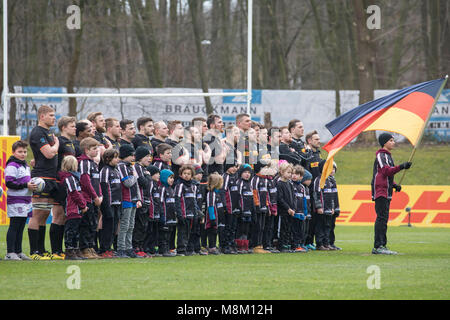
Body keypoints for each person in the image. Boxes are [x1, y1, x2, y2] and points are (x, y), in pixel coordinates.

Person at [28, 105, 60, 260]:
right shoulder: (38, 132)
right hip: (42, 177)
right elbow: (48, 154)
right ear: (42, 116)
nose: (54, 118)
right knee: (38, 214)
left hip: (51, 177)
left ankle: (41, 250)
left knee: (45, 213)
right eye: (51, 115)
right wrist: (57, 145)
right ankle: (34, 251)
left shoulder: (48, 133)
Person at [371, 133, 412, 255]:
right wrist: (402, 166)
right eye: (391, 140)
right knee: (381, 218)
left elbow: (387, 176)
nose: (393, 142)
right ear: (384, 143)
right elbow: (385, 171)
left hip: (387, 190)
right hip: (381, 191)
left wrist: (394, 185)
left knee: (384, 219)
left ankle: (383, 245)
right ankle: (378, 246)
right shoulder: (381, 155)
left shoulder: (388, 156)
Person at [4, 140, 35, 260]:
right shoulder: (12, 165)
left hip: (26, 199)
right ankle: (10, 252)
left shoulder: (25, 165)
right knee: (15, 225)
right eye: (20, 152)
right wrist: (26, 185)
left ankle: (18, 251)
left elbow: (26, 181)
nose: (23, 154)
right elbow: (9, 183)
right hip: (16, 200)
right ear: (13, 152)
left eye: (25, 152)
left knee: (22, 225)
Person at [78, 137, 103, 259]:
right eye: (94, 148)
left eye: (97, 148)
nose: (97, 151)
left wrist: (100, 195)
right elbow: (85, 181)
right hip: (86, 198)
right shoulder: (84, 163)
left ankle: (91, 247)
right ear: (86, 150)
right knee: (86, 224)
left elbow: (97, 182)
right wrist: (94, 196)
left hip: (94, 199)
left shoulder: (93, 163)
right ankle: (84, 248)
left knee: (93, 223)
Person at [59, 156, 88, 260]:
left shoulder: (74, 178)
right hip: (72, 208)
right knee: (71, 230)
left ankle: (75, 250)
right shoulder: (69, 178)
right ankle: (70, 250)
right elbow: (74, 193)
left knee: (76, 231)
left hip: (77, 208)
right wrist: (83, 205)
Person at [116, 144, 142, 258]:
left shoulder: (130, 167)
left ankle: (128, 247)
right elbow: (127, 183)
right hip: (125, 199)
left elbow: (135, 185)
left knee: (131, 226)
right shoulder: (121, 166)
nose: (133, 157)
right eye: (131, 155)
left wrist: (138, 198)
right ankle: (121, 248)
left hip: (133, 199)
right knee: (125, 225)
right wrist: (135, 176)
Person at [99, 148, 122, 257]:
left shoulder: (116, 171)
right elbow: (104, 188)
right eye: (115, 157)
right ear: (108, 158)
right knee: (107, 227)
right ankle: (104, 249)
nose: (118, 159)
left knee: (114, 227)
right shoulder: (105, 170)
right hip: (109, 204)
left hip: (117, 203)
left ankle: (110, 247)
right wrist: (106, 205)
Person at [174, 164, 200, 256]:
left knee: (191, 232)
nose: (186, 175)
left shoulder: (194, 186)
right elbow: (177, 199)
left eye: (189, 174)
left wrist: (196, 213)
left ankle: (189, 249)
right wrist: (179, 213)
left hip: (192, 214)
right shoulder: (179, 185)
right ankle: (181, 250)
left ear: (192, 175)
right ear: (181, 174)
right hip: (183, 214)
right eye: (184, 173)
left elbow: (194, 201)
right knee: (182, 232)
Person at [132, 147, 153, 257]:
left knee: (144, 226)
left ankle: (140, 246)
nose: (149, 158)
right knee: (139, 225)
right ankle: (136, 247)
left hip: (147, 200)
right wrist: (148, 176)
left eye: (150, 156)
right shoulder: (138, 167)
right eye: (146, 156)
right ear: (140, 158)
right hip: (140, 200)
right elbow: (143, 182)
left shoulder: (145, 169)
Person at [235, 164, 256, 254]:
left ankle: (245, 245)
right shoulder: (239, 183)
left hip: (249, 211)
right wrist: (240, 209)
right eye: (245, 172)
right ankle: (239, 246)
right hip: (242, 211)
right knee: (240, 228)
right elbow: (237, 197)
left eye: (249, 172)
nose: (247, 174)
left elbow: (252, 198)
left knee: (247, 228)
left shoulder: (250, 184)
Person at [276, 162, 295, 253]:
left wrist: (293, 208)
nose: (290, 174)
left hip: (290, 211)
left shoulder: (290, 184)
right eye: (288, 172)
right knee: (282, 228)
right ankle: (281, 244)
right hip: (283, 211)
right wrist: (288, 208)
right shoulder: (279, 184)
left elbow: (293, 197)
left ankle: (287, 244)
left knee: (288, 228)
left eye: (291, 173)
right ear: (282, 172)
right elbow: (280, 199)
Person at [221, 161, 240, 254]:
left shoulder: (235, 176)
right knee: (227, 227)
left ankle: (232, 244)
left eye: (236, 167)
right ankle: (225, 246)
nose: (234, 168)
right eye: (232, 166)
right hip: (229, 206)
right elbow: (223, 192)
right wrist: (224, 205)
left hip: (235, 206)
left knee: (233, 227)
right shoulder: (225, 177)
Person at [158, 169, 177, 257]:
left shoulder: (171, 189)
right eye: (170, 178)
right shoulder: (162, 189)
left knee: (169, 233)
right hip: (165, 216)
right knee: (164, 234)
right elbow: (161, 202)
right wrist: (162, 215)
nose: (172, 180)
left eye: (173, 178)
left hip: (171, 217)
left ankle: (168, 249)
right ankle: (163, 250)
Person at [143, 165, 161, 256]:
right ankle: (146, 248)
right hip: (150, 213)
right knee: (148, 231)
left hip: (156, 213)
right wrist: (151, 213)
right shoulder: (150, 184)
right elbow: (150, 199)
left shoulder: (157, 185)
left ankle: (152, 248)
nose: (158, 175)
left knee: (154, 231)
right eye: (157, 173)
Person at [205, 173, 224, 255]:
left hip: (217, 217)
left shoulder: (217, 193)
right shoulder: (211, 194)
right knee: (212, 231)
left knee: (215, 231)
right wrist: (212, 218)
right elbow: (210, 206)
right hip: (212, 218)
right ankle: (211, 247)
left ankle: (213, 246)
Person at [291, 165, 307, 253]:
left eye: (296, 174)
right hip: (294, 212)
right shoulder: (290, 184)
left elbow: (304, 200)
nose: (294, 176)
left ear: (301, 176)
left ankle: (299, 244)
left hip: (301, 213)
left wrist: (305, 212)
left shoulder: (302, 187)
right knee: (294, 230)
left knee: (300, 230)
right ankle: (294, 245)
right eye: (293, 174)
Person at [301, 170, 313, 251]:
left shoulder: (307, 188)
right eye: (309, 179)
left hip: (307, 213)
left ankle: (304, 243)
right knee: (302, 229)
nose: (310, 181)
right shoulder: (302, 188)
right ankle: (300, 244)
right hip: (302, 213)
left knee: (306, 230)